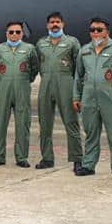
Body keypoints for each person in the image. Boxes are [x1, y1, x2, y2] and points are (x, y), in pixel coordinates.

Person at [74, 17, 112, 180]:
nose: (95, 33)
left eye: (99, 30)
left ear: (107, 31)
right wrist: (76, 96)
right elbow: (78, 76)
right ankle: (88, 165)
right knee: (91, 133)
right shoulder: (85, 50)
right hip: (89, 98)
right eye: (92, 30)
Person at [35, 12, 83, 171]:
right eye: (51, 22)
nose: (54, 25)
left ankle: (77, 159)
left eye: (57, 22)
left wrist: (78, 89)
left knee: (71, 121)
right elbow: (37, 65)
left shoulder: (71, 42)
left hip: (66, 82)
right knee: (45, 123)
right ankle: (47, 158)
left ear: (63, 24)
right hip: (46, 83)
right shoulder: (41, 44)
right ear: (47, 25)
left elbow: (79, 66)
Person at [0, 21, 40, 168]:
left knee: (23, 123)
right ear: (6, 33)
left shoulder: (29, 49)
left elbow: (34, 68)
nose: (14, 35)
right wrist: (3, 80)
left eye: (18, 32)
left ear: (22, 34)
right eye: (11, 32)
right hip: (3, 90)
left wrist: (26, 80)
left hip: (22, 89)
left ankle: (21, 157)